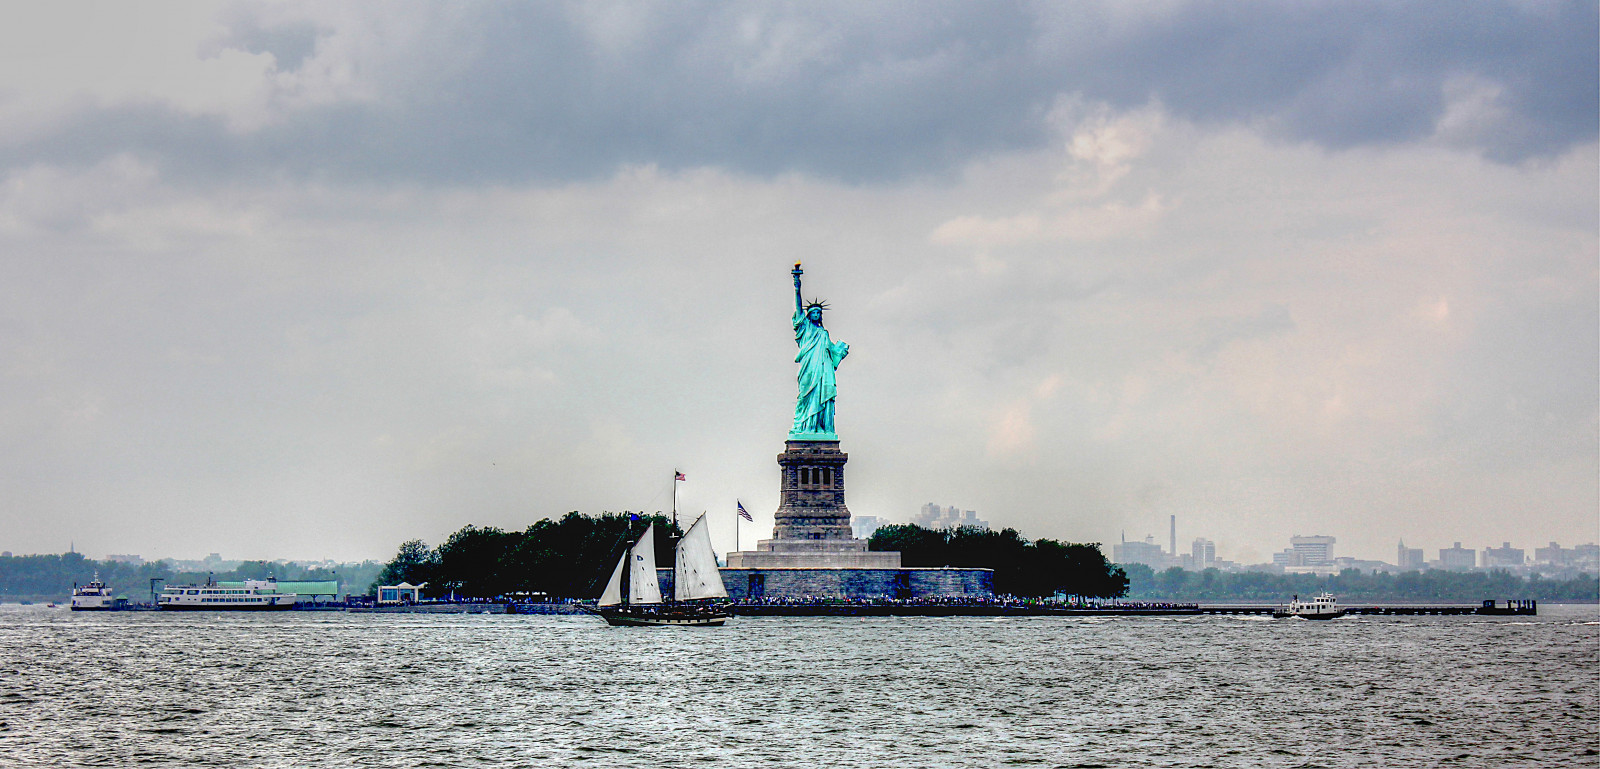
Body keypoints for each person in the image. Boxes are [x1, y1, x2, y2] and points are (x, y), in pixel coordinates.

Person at [791, 264, 848, 436]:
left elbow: (833, 353)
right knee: (806, 396)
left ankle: (820, 428)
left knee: (821, 395)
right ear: (809, 316)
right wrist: (797, 285)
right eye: (813, 312)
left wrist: (841, 350)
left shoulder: (824, 333)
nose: (816, 315)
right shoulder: (805, 327)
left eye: (818, 313)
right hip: (809, 367)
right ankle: (805, 427)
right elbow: (798, 307)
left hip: (823, 370)